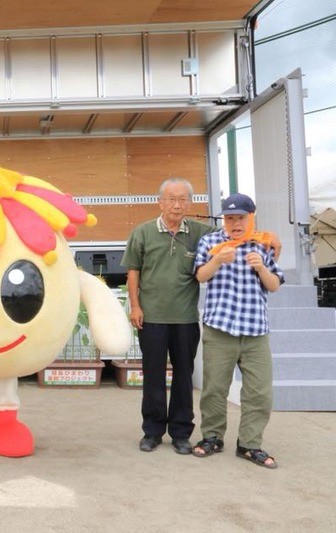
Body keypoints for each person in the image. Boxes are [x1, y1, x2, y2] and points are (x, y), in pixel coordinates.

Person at [121, 178, 213, 455]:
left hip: (185, 318)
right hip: (152, 318)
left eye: (183, 199)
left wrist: (270, 239)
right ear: (160, 202)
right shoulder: (143, 233)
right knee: (153, 376)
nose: (177, 204)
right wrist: (135, 307)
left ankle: (181, 433)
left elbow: (233, 234)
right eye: (171, 199)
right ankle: (152, 431)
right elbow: (133, 273)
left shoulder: (201, 233)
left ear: (189, 203)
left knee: (185, 376)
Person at [191, 193, 283, 468]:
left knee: (259, 392)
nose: (235, 224)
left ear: (251, 218)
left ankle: (249, 444)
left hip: (255, 331)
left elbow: (274, 285)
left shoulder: (263, 244)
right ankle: (212, 437)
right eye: (230, 218)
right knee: (214, 389)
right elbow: (200, 276)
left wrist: (261, 269)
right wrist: (218, 260)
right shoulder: (211, 242)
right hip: (219, 327)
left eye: (241, 218)